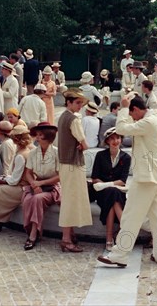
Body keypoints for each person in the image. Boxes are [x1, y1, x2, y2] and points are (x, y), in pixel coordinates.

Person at [97, 95, 157, 267]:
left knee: (130, 215)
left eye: (132, 114)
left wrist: (123, 107)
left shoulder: (148, 123)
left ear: (136, 109)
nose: (132, 119)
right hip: (155, 175)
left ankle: (120, 254)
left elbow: (120, 129)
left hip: (145, 178)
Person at [57, 89, 92, 252]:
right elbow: (85, 145)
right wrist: (81, 145)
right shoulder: (74, 120)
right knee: (71, 201)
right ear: (69, 102)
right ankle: (66, 238)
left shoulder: (62, 117)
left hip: (64, 164)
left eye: (81, 103)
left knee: (69, 199)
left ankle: (69, 234)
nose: (80, 106)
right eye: (77, 103)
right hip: (73, 164)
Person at [21, 122, 61, 250]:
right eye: (37, 135)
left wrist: (41, 183)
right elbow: (28, 173)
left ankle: (34, 233)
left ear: (48, 137)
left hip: (53, 187)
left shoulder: (56, 153)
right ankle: (30, 230)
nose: (36, 138)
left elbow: (60, 176)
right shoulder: (33, 153)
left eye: (40, 135)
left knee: (37, 199)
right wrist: (34, 184)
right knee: (28, 199)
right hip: (36, 185)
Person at [91, 127, 131, 250]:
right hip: (101, 192)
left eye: (118, 138)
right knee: (111, 194)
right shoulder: (100, 155)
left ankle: (109, 238)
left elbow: (122, 181)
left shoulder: (126, 157)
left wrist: (105, 185)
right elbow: (94, 178)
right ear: (107, 141)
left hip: (116, 191)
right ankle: (126, 231)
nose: (115, 141)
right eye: (112, 138)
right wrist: (105, 186)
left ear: (121, 140)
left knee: (112, 194)